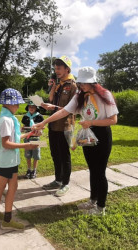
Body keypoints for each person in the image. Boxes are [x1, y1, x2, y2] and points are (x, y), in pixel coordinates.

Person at [33, 66, 118, 215]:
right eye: (80, 82)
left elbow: (113, 120)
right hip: (87, 134)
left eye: (84, 82)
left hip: (102, 135)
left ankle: (100, 208)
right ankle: (92, 200)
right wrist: (44, 122)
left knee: (100, 171)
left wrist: (91, 123)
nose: (81, 85)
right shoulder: (80, 94)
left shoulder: (105, 95)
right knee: (92, 169)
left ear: (93, 82)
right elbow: (65, 111)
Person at [0, 88, 39, 230]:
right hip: (8, 160)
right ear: (8, 104)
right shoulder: (6, 120)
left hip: (5, 160)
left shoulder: (8, 117)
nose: (18, 106)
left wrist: (29, 133)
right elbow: (6, 143)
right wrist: (26, 146)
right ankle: (7, 220)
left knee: (0, 186)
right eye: (16, 104)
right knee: (12, 187)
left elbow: (14, 138)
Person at [40, 55, 77, 197]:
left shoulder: (72, 85)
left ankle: (65, 183)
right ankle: (58, 180)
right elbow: (51, 99)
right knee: (55, 154)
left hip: (65, 126)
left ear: (67, 69)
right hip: (53, 124)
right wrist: (53, 88)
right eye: (55, 68)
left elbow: (72, 108)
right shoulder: (59, 84)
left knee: (64, 156)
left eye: (59, 68)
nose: (56, 71)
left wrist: (53, 106)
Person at [21, 101, 44, 179]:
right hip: (27, 138)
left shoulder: (39, 117)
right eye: (30, 107)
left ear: (36, 108)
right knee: (28, 155)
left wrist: (39, 129)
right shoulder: (25, 117)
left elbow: (42, 127)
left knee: (36, 155)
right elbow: (24, 127)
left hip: (36, 139)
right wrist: (22, 129)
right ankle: (28, 170)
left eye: (33, 107)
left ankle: (34, 170)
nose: (31, 108)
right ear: (27, 108)